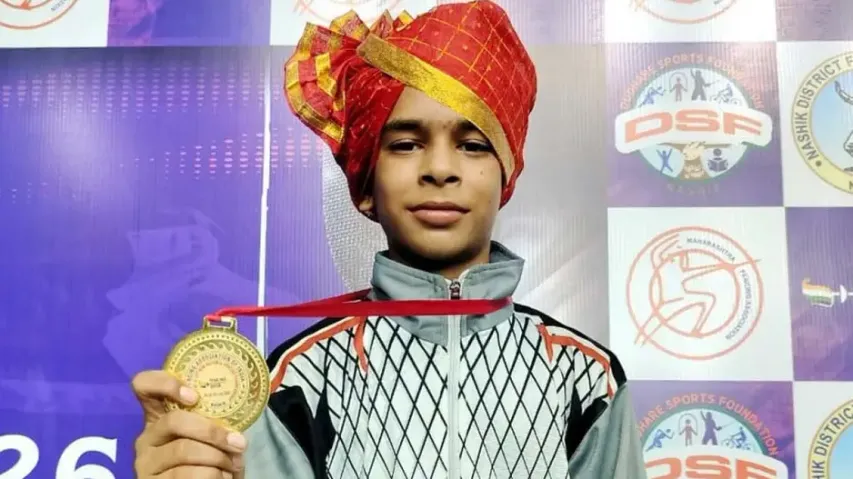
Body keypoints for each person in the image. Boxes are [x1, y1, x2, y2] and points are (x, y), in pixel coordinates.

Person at [130, 1, 648, 478]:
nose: (440, 168)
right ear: (365, 187)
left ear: (505, 177)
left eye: (472, 145)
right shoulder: (298, 379)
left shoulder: (586, 378)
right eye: (405, 143)